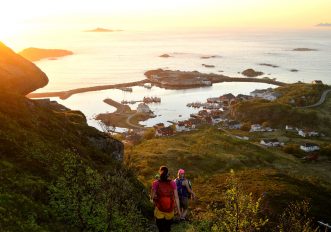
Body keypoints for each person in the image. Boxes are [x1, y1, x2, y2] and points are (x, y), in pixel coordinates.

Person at [151, 166, 181, 232]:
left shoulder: (155, 183)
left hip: (159, 209)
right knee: (168, 229)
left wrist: (155, 197)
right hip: (170, 210)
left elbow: (152, 197)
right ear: (168, 174)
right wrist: (179, 211)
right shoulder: (173, 183)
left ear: (160, 173)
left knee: (161, 229)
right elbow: (176, 197)